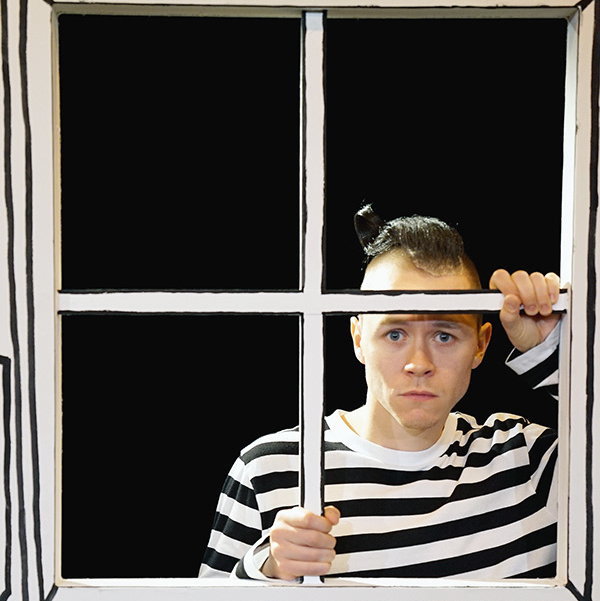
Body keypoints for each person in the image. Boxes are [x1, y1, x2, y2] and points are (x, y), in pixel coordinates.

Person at [200, 207, 561, 582]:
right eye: (395, 334)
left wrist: (554, 353)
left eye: (444, 335)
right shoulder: (272, 468)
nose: (419, 363)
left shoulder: (524, 459)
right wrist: (268, 570)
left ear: (481, 345)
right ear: (358, 339)